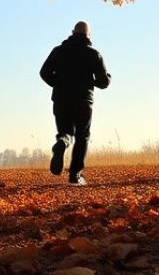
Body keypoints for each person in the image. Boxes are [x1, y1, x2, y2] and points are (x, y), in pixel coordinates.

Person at [39, 21, 110, 185]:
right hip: (83, 100)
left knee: (66, 131)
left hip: (61, 98)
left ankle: (62, 142)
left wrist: (57, 83)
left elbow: (44, 72)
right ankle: (75, 175)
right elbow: (103, 81)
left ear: (72, 32)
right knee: (82, 136)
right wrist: (100, 80)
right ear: (88, 36)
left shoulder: (58, 51)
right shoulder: (93, 54)